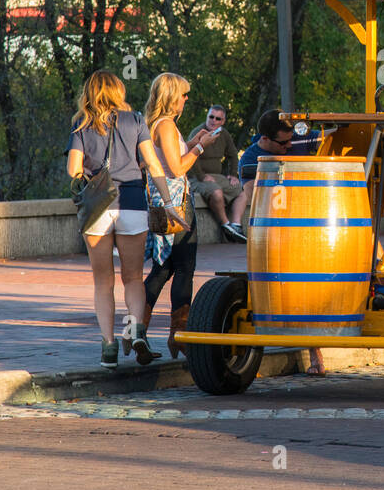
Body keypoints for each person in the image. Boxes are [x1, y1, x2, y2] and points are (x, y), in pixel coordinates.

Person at [66, 70, 179, 369]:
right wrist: (167, 203)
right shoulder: (136, 121)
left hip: (98, 208)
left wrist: (90, 177)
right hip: (131, 203)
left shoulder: (81, 124)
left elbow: (73, 169)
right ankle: (136, 330)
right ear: (118, 91)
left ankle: (109, 347)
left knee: (103, 281)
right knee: (132, 278)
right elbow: (154, 164)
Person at [237, 109, 327, 376]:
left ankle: (316, 352)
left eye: (291, 141)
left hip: (311, 224)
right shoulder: (253, 157)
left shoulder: (299, 138)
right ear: (264, 139)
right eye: (283, 144)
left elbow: (330, 139)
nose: (289, 147)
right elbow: (255, 197)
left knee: (310, 289)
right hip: (277, 231)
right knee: (289, 290)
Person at [140, 73, 221, 362]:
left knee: (162, 269)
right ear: (173, 96)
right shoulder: (164, 125)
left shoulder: (159, 125)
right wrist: (201, 148)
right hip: (176, 204)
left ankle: (137, 331)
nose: (186, 99)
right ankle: (179, 334)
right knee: (184, 268)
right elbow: (176, 168)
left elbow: (171, 155)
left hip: (162, 202)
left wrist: (194, 140)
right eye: (183, 94)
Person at [186, 104, 248, 244]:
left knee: (242, 192)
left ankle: (236, 225)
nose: (213, 120)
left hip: (216, 176)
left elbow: (233, 155)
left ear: (223, 121)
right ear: (207, 117)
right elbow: (191, 155)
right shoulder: (199, 132)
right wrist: (202, 176)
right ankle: (226, 226)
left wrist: (233, 174)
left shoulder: (223, 134)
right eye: (211, 117)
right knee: (216, 192)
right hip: (196, 177)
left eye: (218, 118)